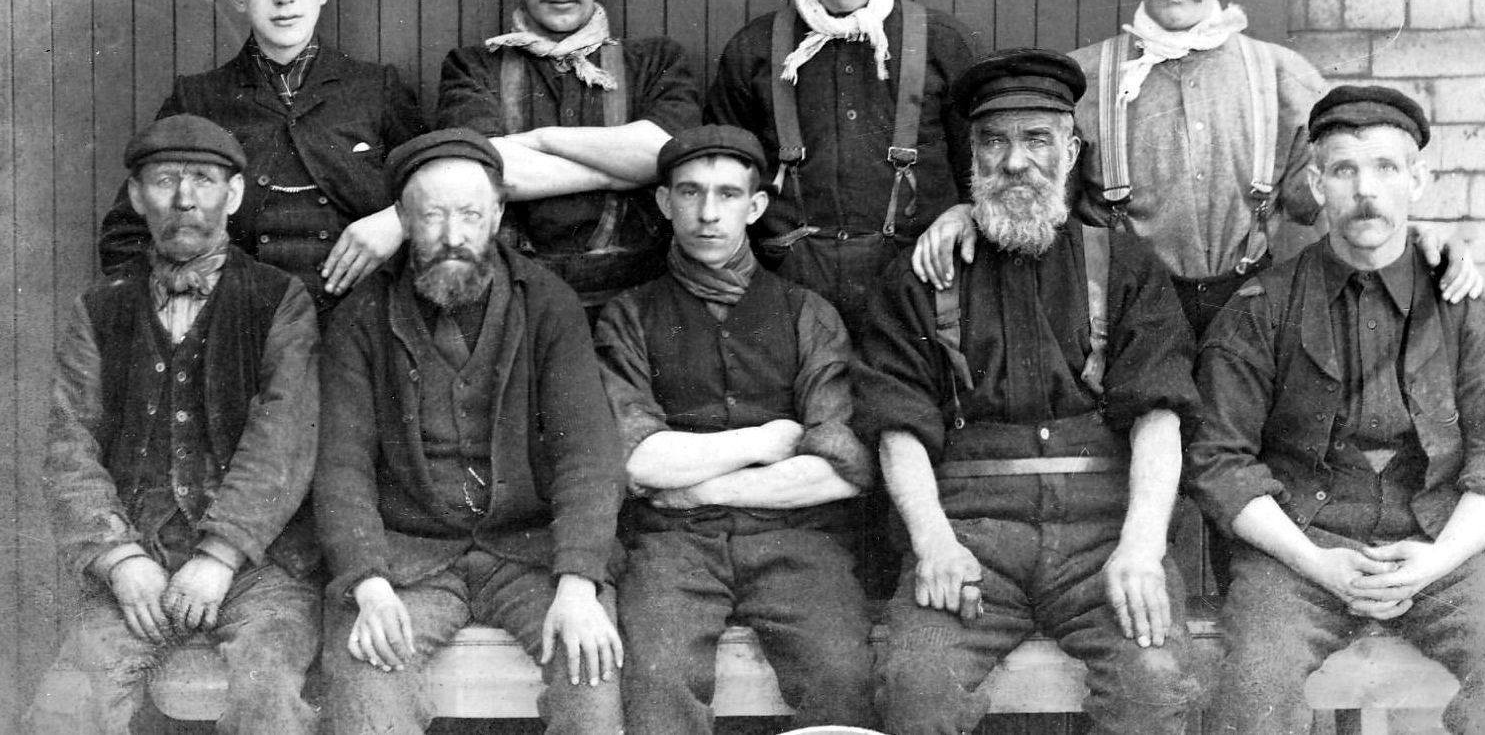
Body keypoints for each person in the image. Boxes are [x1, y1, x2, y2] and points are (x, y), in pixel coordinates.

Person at [911, 0, 1478, 336]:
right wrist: (966, 212)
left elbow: (1340, 200)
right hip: (1118, 321)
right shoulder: (1080, 80)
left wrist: (1422, 232)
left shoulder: (1283, 79)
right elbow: (1026, 196)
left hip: (1251, 315)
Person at [1186, 85, 1485, 735]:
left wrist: (1437, 558)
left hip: (1438, 547)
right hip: (1299, 555)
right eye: (1343, 169)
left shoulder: (1458, 300)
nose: (1365, 189)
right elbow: (1219, 459)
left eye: (1386, 167)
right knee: (1251, 687)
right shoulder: (1260, 308)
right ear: (1314, 183)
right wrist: (1316, 562)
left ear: (1418, 179)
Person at [856, 49, 1202, 735]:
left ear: (1070, 151)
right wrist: (931, 544)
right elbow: (897, 423)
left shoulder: (1125, 266)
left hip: (1101, 537)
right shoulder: (919, 277)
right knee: (915, 686)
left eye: (1036, 139)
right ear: (972, 158)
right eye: (994, 142)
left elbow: (1158, 416)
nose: (1014, 162)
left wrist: (1140, 546)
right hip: (969, 537)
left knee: (1154, 683)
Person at [313, 128, 624, 735]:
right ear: (401, 218)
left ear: (499, 214)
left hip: (533, 555)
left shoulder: (549, 303)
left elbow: (588, 454)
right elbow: (341, 466)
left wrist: (579, 579)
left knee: (591, 672)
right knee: (365, 681)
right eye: (430, 217)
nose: (452, 237)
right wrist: (368, 584)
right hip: (408, 560)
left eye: (470, 215)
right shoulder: (360, 317)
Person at [28, 115, 321, 735]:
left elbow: (283, 439)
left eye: (204, 181)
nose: (184, 198)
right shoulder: (100, 308)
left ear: (234, 195)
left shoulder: (280, 300)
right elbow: (69, 443)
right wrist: (118, 557)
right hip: (142, 557)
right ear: (136, 197)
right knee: (73, 703)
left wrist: (220, 553)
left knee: (267, 690)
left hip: (259, 569)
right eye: (164, 181)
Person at [596, 125, 879, 735]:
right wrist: (762, 441)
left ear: (754, 207)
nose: (707, 213)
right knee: (658, 676)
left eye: (728, 195)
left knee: (842, 673)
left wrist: (699, 486)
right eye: (690, 193)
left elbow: (840, 471)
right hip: (671, 546)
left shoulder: (808, 313)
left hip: (798, 543)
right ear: (664, 203)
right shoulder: (630, 315)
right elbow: (638, 462)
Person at [99, 0, 427, 319]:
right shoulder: (199, 99)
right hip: (242, 328)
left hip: (362, 328)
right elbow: (125, 235)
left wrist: (397, 220)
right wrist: (189, 317)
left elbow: (442, 196)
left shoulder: (377, 89)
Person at [705, 0, 975, 340]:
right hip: (784, 317)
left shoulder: (943, 45)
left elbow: (987, 175)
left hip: (918, 312)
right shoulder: (751, 51)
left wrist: (965, 211)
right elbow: (717, 186)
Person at [436, 0, 701, 320]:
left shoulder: (653, 61)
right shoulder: (472, 67)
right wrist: (622, 170)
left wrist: (541, 140)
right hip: (511, 305)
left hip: (636, 307)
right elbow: (480, 171)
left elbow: (666, 156)